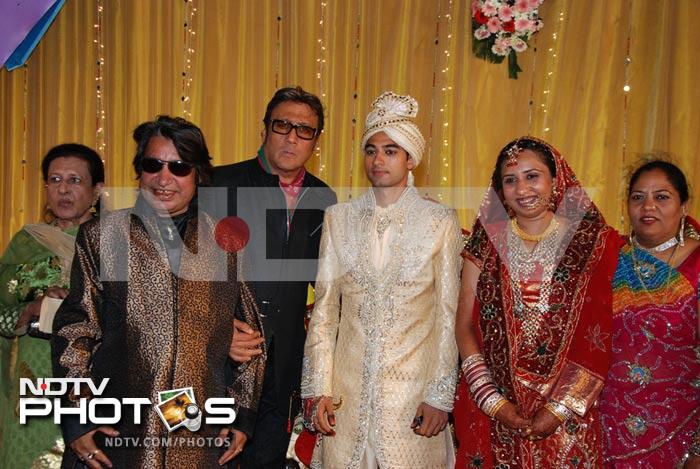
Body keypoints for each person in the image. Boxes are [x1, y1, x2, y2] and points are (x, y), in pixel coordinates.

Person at [51, 115, 265, 468]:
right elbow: (76, 330)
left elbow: (252, 334)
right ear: (139, 171)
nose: (164, 178)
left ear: (198, 174)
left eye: (179, 167)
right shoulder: (103, 236)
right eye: (154, 164)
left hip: (195, 433)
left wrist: (242, 414)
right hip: (118, 431)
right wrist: (78, 419)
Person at [301, 91, 462, 468]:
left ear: (410, 159)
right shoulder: (337, 219)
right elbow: (325, 313)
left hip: (412, 399)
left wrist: (440, 394)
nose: (378, 160)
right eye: (371, 150)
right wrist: (317, 389)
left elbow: (447, 314)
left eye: (391, 150)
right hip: (347, 395)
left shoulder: (440, 221)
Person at [453, 137, 620, 468]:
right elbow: (464, 324)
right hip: (495, 409)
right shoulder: (485, 243)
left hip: (571, 414)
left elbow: (599, 331)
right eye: (510, 179)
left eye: (533, 176)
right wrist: (491, 400)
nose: (522, 189)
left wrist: (560, 407)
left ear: (556, 180)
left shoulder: (592, 242)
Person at [212, 86, 336, 467]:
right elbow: (183, 281)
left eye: (305, 130)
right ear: (265, 128)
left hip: (283, 367)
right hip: (220, 363)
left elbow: (330, 284)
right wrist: (218, 330)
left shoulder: (324, 199)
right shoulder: (217, 185)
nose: (292, 137)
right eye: (282, 125)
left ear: (316, 140)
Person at [0, 143, 104, 468]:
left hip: (89, 378)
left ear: (96, 190)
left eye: (75, 180)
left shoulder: (115, 243)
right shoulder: (25, 242)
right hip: (30, 382)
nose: (63, 189)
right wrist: (31, 309)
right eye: (54, 179)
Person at [599, 160, 700, 469]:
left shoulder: (697, 264)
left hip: (681, 431)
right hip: (604, 428)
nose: (648, 206)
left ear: (683, 205)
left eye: (662, 197)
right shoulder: (607, 259)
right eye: (638, 197)